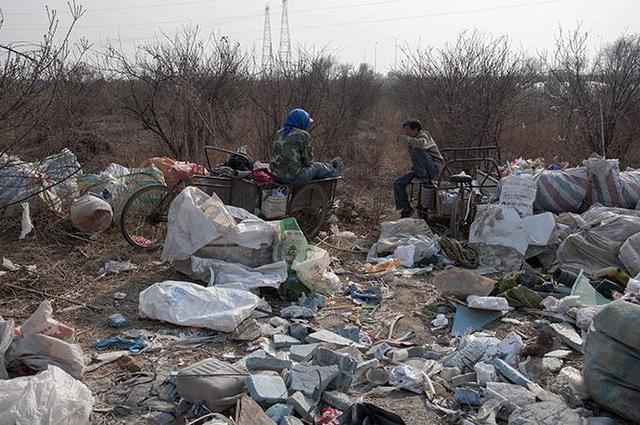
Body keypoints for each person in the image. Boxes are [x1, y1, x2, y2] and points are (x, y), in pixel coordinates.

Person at [271, 108, 342, 186]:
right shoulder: (303, 135)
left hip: (276, 177)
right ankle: (333, 170)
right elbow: (309, 161)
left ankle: (330, 166)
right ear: (302, 121)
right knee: (317, 166)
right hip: (295, 178)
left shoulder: (279, 133)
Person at [393, 119, 444, 218]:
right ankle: (406, 208)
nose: (406, 133)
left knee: (416, 150)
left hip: (433, 168)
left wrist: (407, 139)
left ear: (415, 129)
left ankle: (422, 177)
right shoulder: (414, 140)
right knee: (398, 183)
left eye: (408, 130)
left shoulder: (424, 135)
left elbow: (421, 145)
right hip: (423, 171)